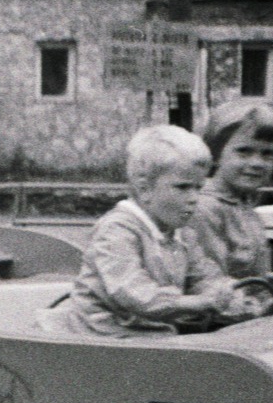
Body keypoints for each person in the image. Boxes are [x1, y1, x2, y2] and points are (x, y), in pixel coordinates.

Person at [40, 125, 240, 337]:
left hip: (151, 332)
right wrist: (193, 303)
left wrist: (232, 295)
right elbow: (132, 292)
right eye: (182, 187)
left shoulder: (181, 233)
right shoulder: (117, 231)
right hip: (104, 333)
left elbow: (202, 275)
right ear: (145, 189)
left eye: (198, 188)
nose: (193, 198)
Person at [193, 98, 273, 280]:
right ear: (216, 152)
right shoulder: (204, 209)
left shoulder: (244, 205)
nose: (257, 163)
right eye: (244, 151)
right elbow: (211, 284)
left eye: (267, 154)